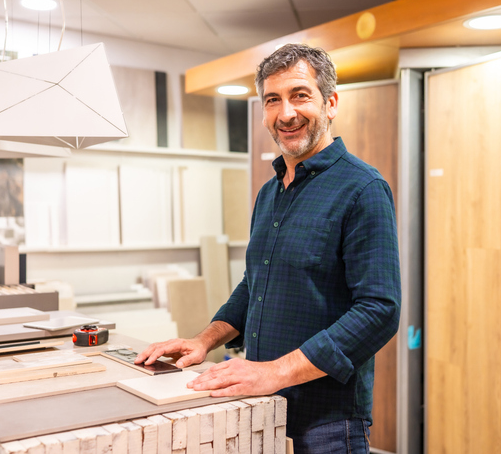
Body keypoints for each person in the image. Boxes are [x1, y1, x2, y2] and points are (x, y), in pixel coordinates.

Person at [136, 43, 401, 454]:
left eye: (300, 95)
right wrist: (205, 340)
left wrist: (276, 372)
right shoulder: (269, 193)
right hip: (261, 408)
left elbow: (379, 311)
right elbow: (255, 283)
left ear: (330, 103)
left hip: (326, 422)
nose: (286, 114)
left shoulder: (363, 189)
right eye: (272, 100)